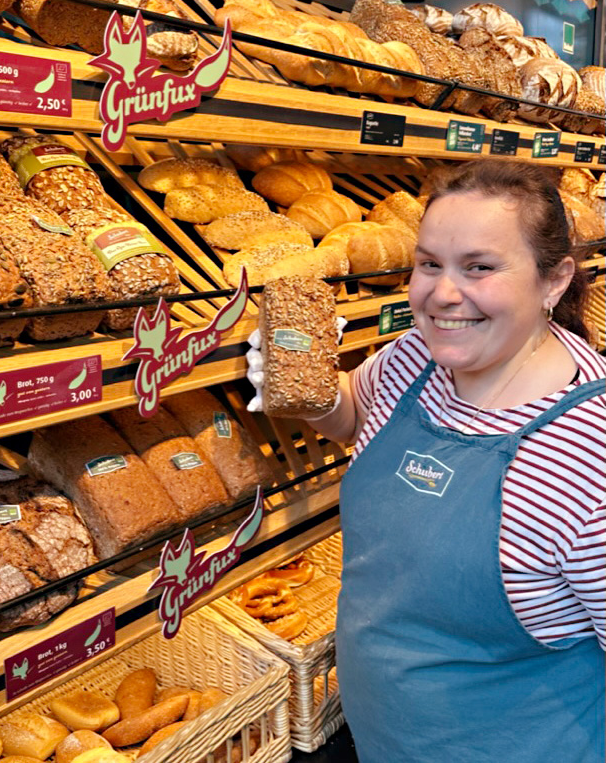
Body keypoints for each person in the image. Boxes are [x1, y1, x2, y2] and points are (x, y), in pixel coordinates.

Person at [249, 160, 605, 761]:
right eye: (428, 263)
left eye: (480, 267)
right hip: (386, 738)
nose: (442, 293)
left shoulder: (587, 458)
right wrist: (312, 394)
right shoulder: (418, 357)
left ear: (553, 281)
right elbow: (359, 420)